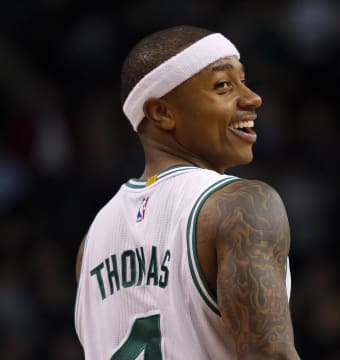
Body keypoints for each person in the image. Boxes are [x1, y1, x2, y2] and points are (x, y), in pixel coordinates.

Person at [74, 25, 300, 360]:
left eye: (243, 79)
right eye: (223, 85)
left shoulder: (91, 243)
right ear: (162, 113)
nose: (252, 97)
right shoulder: (241, 205)